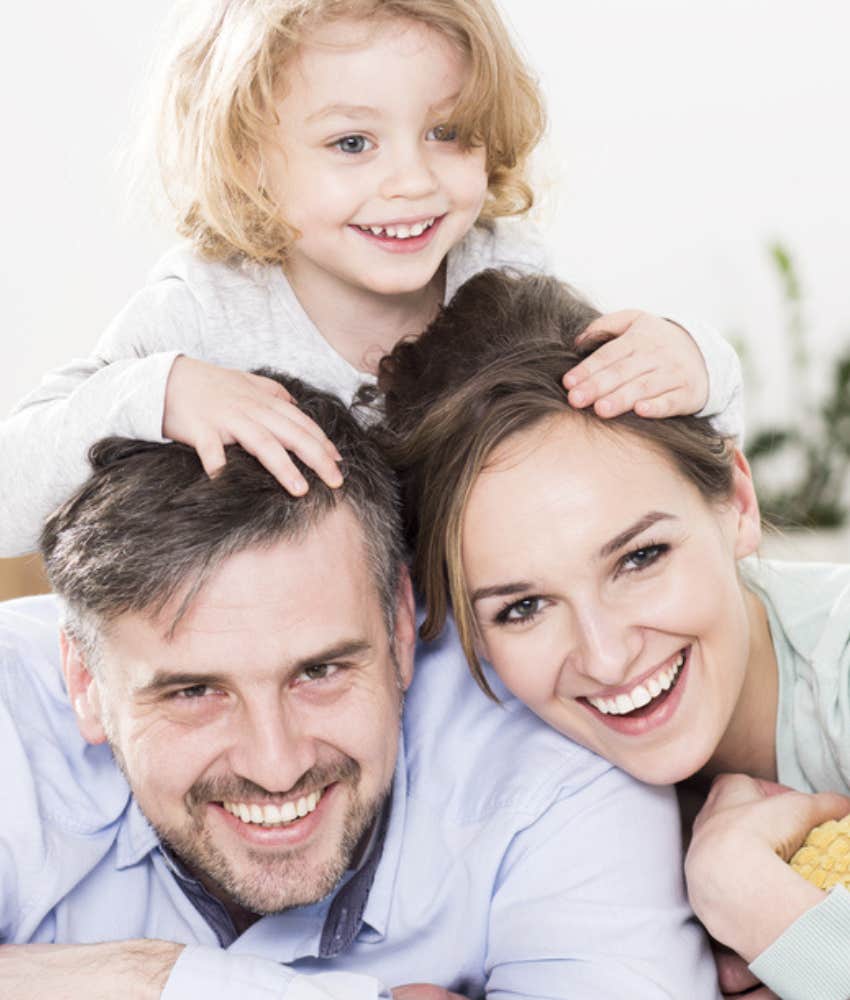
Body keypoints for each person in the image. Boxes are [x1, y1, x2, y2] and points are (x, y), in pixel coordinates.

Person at [0, 373, 719, 999]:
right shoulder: (11, 718)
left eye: (320, 671)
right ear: (86, 683)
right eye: (194, 693)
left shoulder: (557, 770)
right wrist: (149, 979)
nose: (274, 765)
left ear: (403, 629)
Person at [0, 0, 742, 558]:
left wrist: (692, 360)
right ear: (245, 158)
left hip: (474, 662)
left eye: (446, 132)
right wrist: (158, 394)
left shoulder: (503, 270)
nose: (411, 181)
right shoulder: (205, 310)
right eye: (352, 142)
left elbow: (663, 461)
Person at [375, 268, 850, 1000]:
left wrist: (751, 898)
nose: (605, 655)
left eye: (640, 557)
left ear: (739, 503)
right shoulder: (515, 801)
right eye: (523, 608)